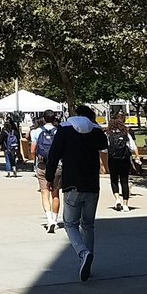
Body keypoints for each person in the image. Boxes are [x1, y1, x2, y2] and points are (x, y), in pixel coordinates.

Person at [46, 105, 108, 281]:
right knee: (88, 225)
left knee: (70, 224)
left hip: (72, 183)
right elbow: (104, 146)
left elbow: (53, 154)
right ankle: (89, 260)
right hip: (92, 185)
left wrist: (50, 178)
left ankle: (83, 253)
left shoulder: (65, 129)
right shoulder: (96, 131)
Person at [31, 112, 62, 231]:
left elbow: (33, 150)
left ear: (44, 119)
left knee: (44, 193)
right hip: (57, 165)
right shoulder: (59, 131)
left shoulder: (37, 132)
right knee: (55, 193)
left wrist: (34, 160)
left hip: (42, 164)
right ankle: (55, 219)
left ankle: (49, 219)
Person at [106, 116, 138, 210]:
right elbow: (133, 147)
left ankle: (117, 199)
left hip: (113, 160)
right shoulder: (125, 134)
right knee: (124, 181)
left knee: (114, 180)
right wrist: (137, 156)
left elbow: (104, 150)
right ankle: (125, 205)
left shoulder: (108, 135)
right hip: (124, 160)